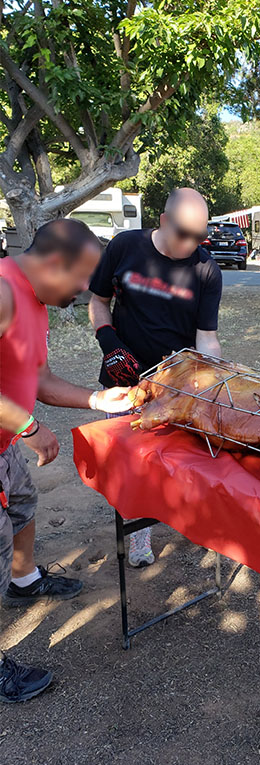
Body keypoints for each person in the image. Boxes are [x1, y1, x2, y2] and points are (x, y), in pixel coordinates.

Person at [0, 218, 131, 702]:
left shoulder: (35, 301)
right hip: (11, 434)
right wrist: (28, 427)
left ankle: (24, 581)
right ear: (54, 262)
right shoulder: (3, 291)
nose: (84, 290)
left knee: (22, 506)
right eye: (80, 280)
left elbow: (39, 380)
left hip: (4, 443)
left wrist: (99, 401)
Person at [88, 188, 222, 567]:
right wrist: (108, 341)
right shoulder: (124, 247)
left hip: (175, 385)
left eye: (201, 236)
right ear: (164, 221)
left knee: (182, 462)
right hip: (122, 380)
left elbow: (207, 338)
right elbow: (98, 302)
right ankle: (140, 539)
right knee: (131, 467)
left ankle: (196, 524)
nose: (193, 244)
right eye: (186, 235)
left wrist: (217, 380)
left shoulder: (205, 269)